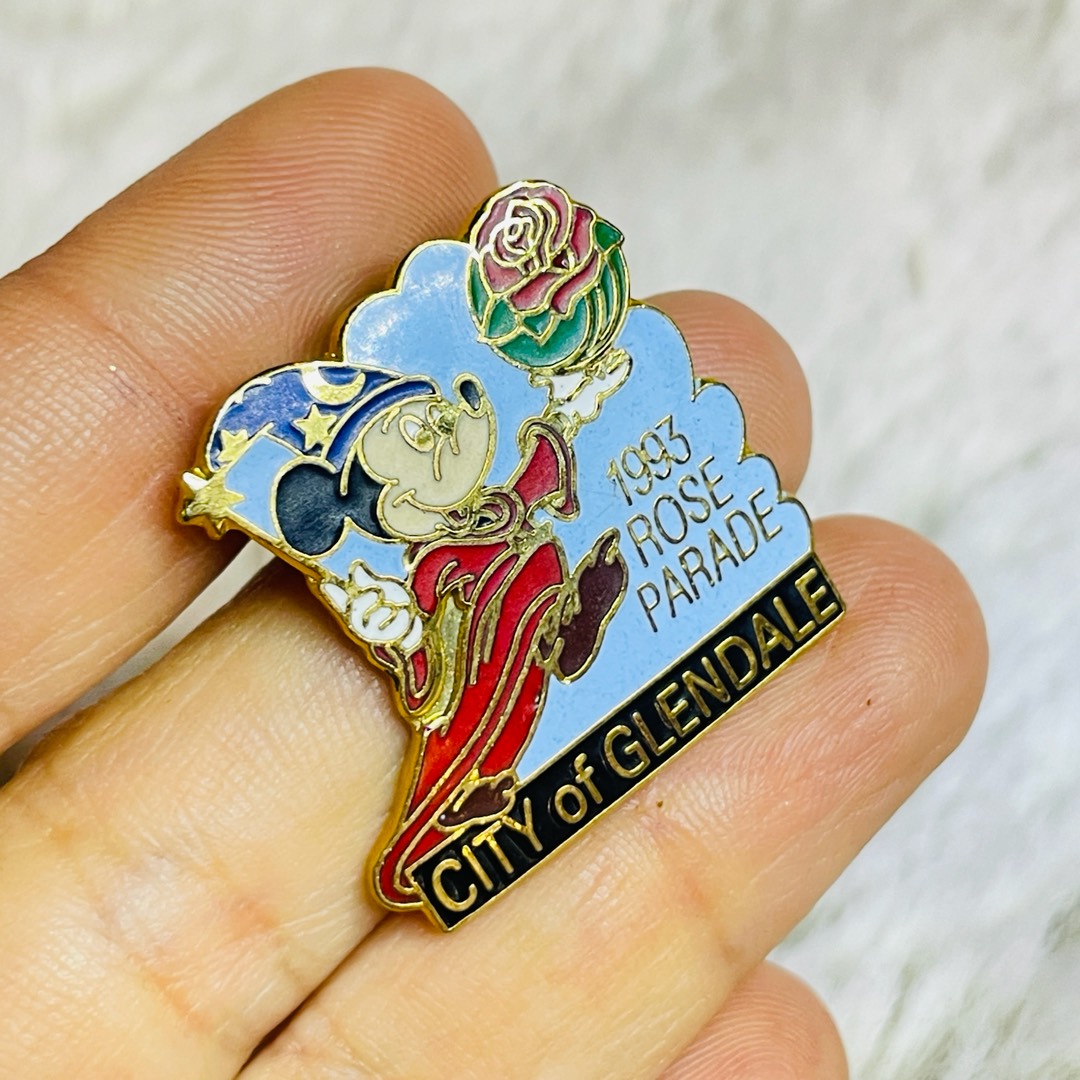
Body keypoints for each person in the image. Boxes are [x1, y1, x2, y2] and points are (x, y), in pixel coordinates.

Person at [0, 70, 987, 1078]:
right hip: (481, 659)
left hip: (531, 614)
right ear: (389, 515)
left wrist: (568, 417)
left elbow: (540, 468)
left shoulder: (506, 491)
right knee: (482, 709)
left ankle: (566, 635)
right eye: (410, 451)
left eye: (433, 416)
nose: (442, 432)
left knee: (534, 611)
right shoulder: (435, 565)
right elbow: (441, 620)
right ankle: (500, 742)